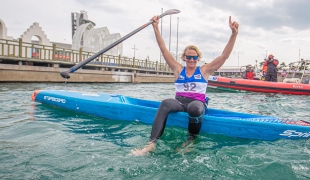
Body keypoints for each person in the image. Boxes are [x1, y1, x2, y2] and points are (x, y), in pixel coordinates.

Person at [131, 15, 239, 156]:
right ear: (184, 58)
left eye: (194, 57)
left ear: (198, 58)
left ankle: (190, 141)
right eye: (188, 57)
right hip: (180, 103)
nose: (191, 60)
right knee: (165, 103)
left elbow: (224, 56)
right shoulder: (178, 69)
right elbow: (164, 50)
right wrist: (156, 27)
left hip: (197, 103)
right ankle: (151, 144)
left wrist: (234, 34)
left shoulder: (204, 70)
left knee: (194, 108)